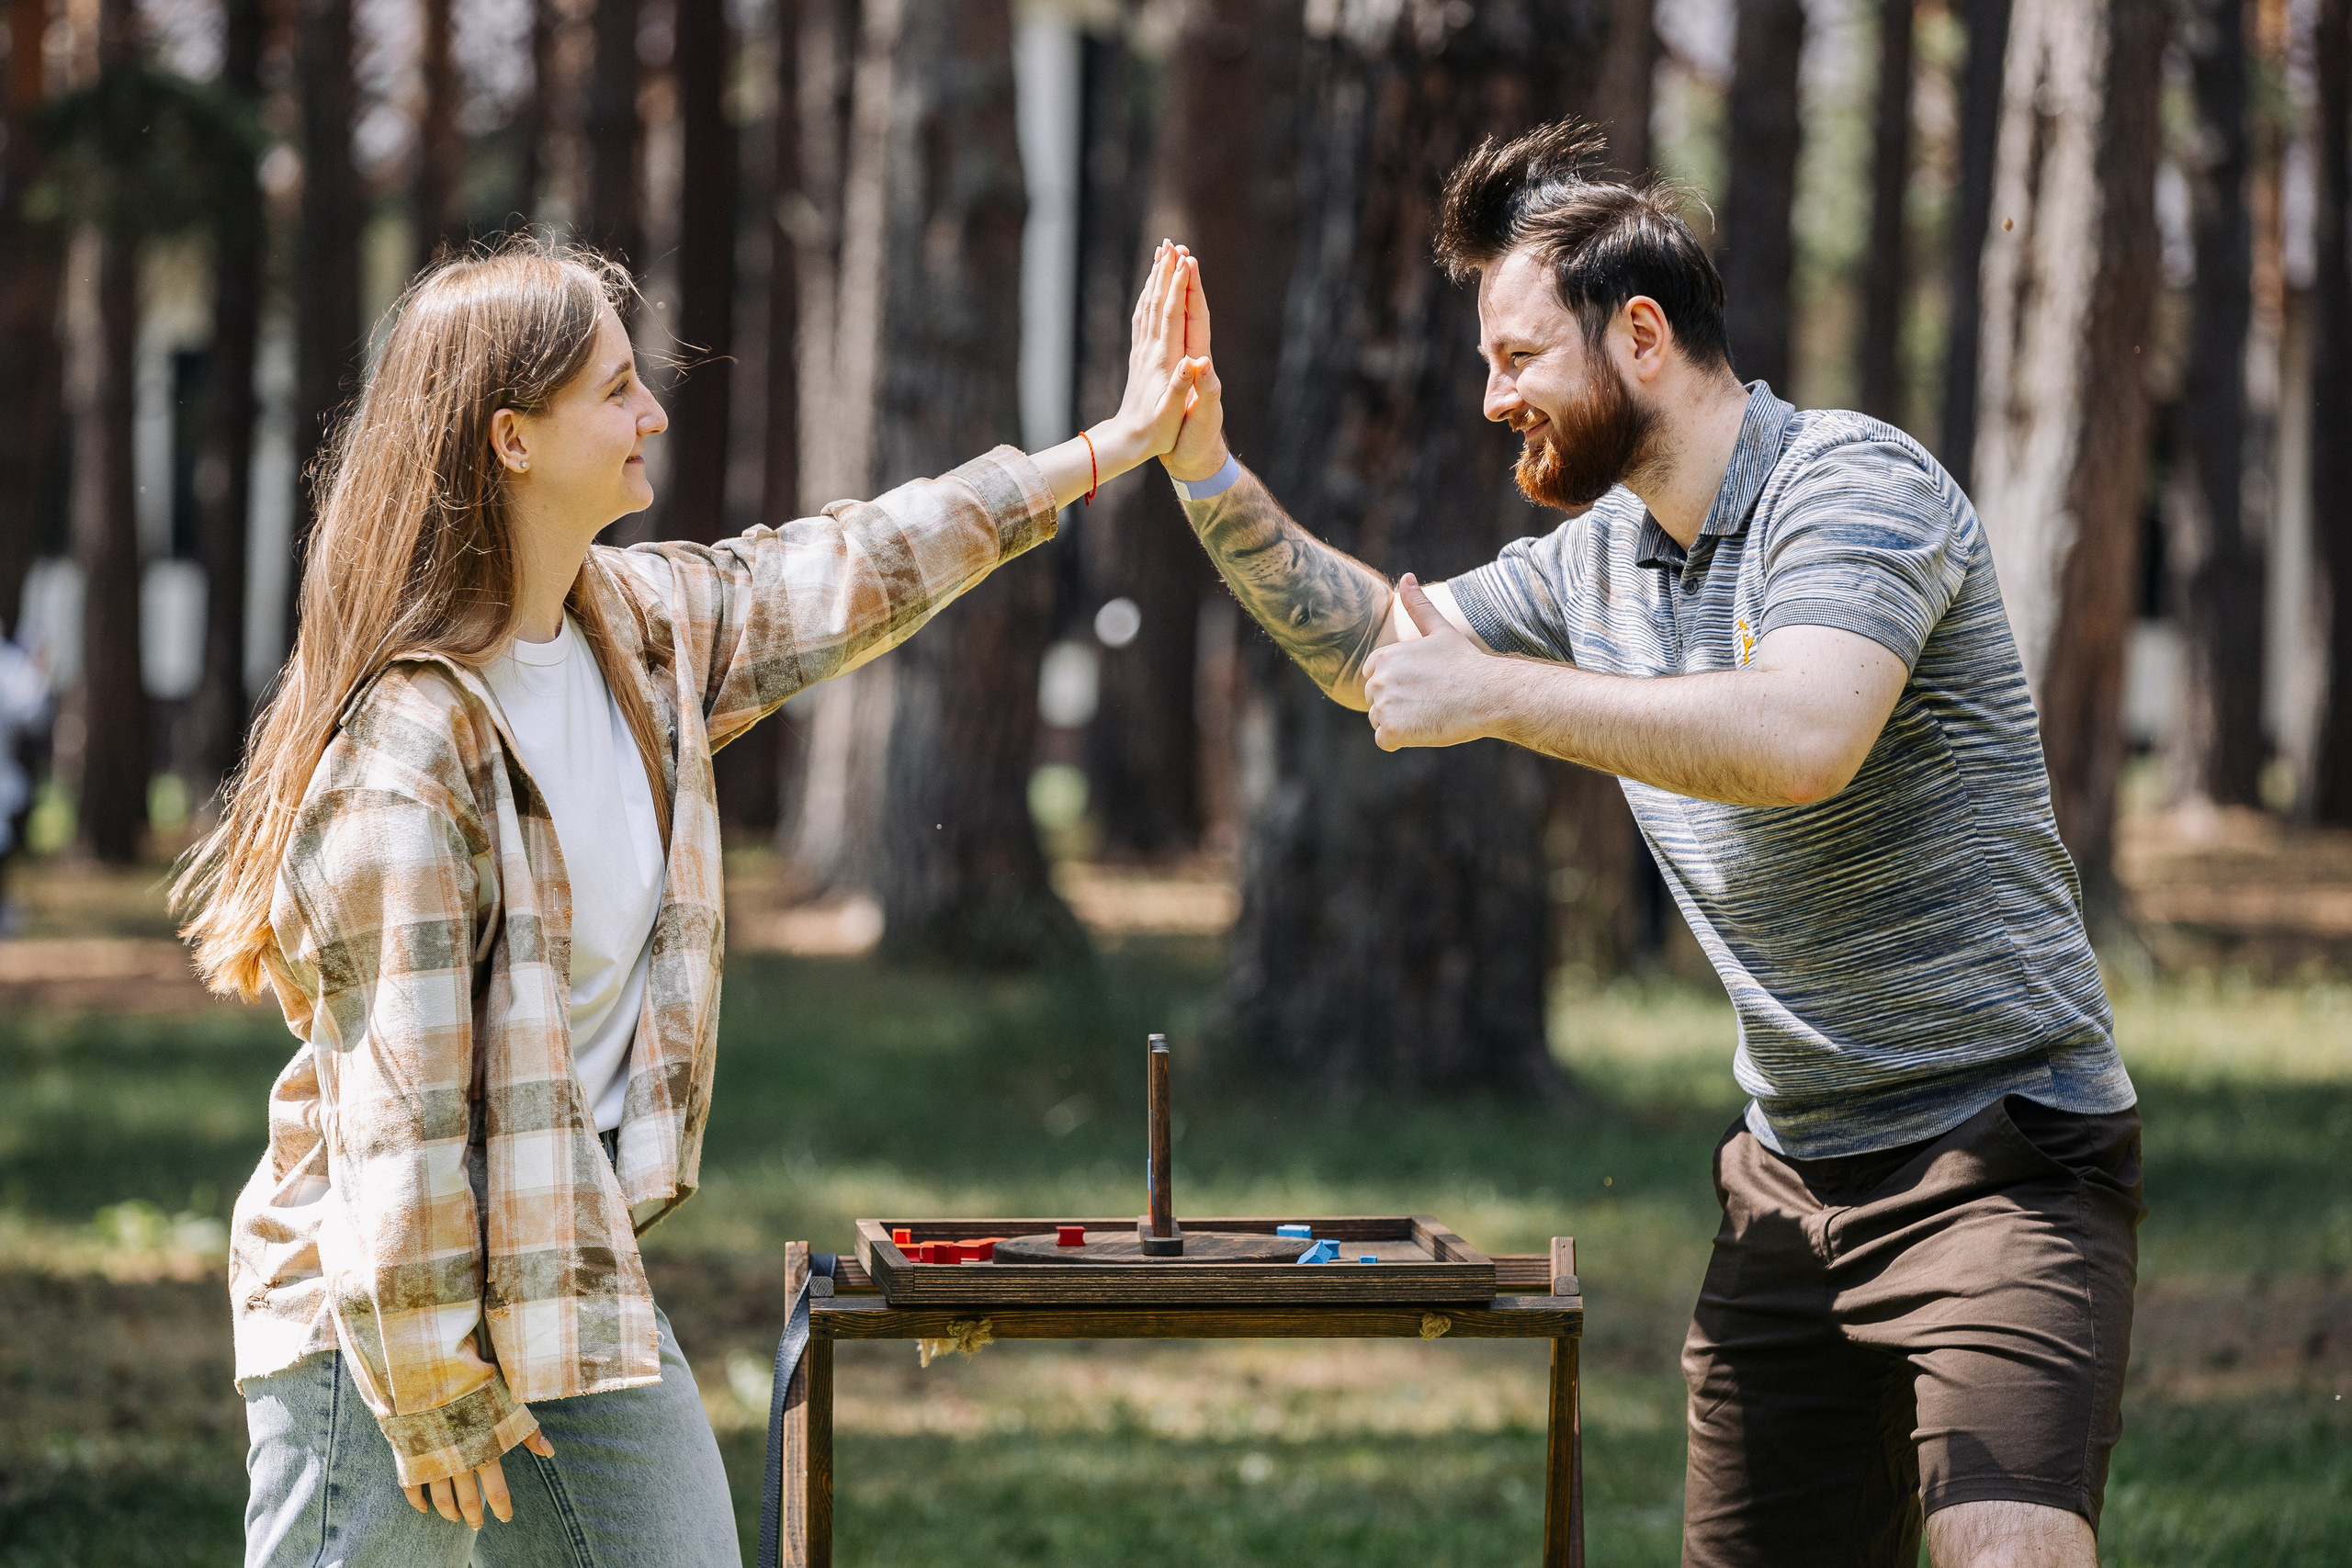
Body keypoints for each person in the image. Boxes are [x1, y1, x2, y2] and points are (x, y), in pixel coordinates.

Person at [1156, 121, 2141, 1568]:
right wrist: (1207, 475)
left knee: (2007, 1547)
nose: (1491, 400)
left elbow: (1803, 739)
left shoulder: (1852, 488)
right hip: (1790, 1173)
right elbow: (1382, 645)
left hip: (1999, 1150)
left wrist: (1495, 695)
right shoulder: (1601, 554)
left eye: (1516, 358)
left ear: (1639, 334)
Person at [173, 237, 1209, 1566]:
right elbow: (402, 1109)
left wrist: (1109, 447)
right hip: (377, 1322)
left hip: (562, 1271)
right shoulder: (411, 749)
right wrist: (431, 1388)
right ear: (512, 439)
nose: (653, 411)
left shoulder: (638, 628)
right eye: (615, 390)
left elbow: (857, 562)